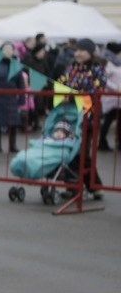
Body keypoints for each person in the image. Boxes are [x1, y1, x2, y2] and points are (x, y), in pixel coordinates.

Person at [58, 38, 105, 199]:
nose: (77, 53)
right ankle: (73, 187)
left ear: (90, 53)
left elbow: (96, 90)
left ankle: (94, 186)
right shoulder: (71, 68)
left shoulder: (98, 69)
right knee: (69, 150)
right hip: (70, 116)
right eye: (76, 50)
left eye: (82, 50)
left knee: (82, 152)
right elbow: (61, 83)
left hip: (88, 117)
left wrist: (73, 96)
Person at [0, 41, 25, 154]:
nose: (8, 51)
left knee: (13, 123)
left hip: (11, 99)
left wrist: (22, 99)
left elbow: (21, 84)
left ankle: (12, 145)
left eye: (10, 49)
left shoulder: (16, 65)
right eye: (6, 49)